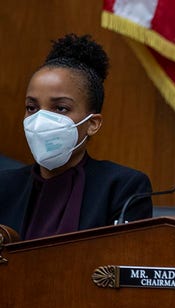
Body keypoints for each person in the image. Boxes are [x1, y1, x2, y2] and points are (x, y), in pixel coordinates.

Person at [0, 34, 152, 240]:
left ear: (92, 124)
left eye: (61, 108)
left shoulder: (123, 187)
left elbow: (122, 264)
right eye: (31, 107)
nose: (41, 119)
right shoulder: (5, 185)